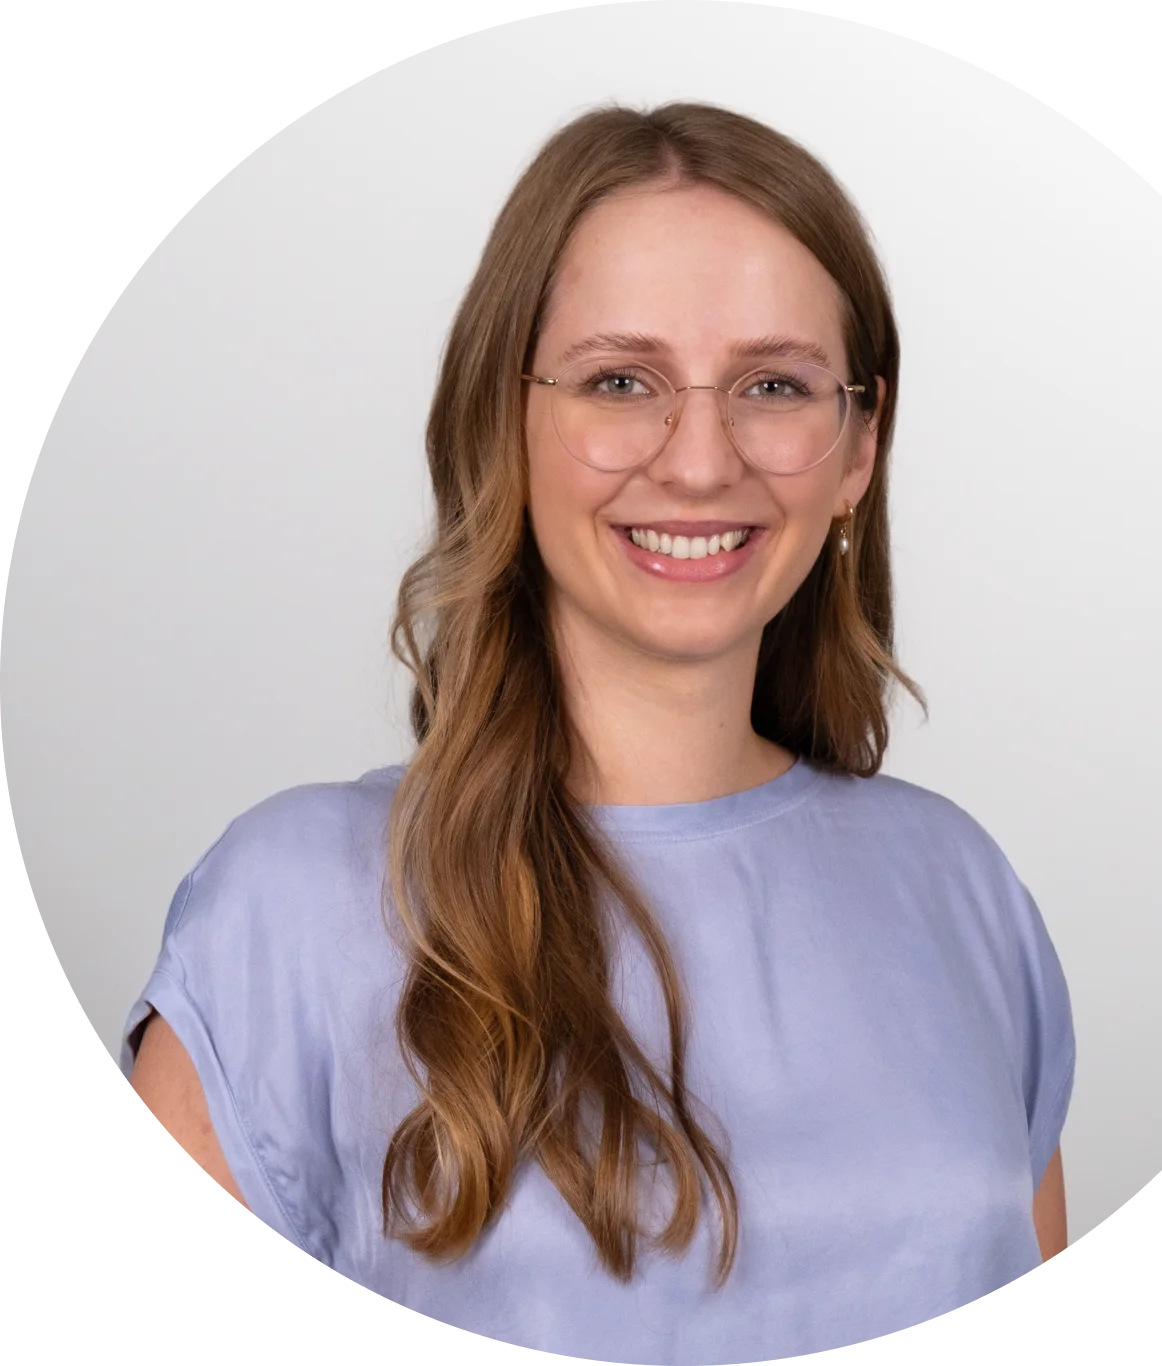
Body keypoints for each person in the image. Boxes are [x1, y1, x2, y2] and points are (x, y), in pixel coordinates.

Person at [123, 101, 1073, 1364]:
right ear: (501, 420)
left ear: (858, 447)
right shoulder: (284, 911)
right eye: (621, 381)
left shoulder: (961, 889)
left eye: (774, 385)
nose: (697, 462)